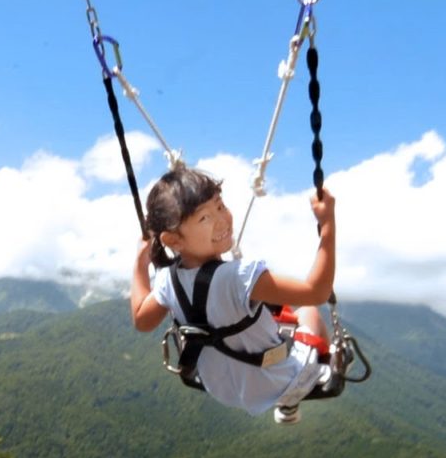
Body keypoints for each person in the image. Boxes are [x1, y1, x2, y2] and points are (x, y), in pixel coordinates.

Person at [129, 162, 337, 424]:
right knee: (308, 313)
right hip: (276, 381)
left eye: (220, 206)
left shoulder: (166, 279)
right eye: (204, 218)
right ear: (173, 240)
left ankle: (288, 401)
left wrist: (140, 263)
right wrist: (327, 225)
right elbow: (316, 292)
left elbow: (141, 320)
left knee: (267, 317)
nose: (221, 221)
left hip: (221, 387)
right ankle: (297, 394)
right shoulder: (239, 277)